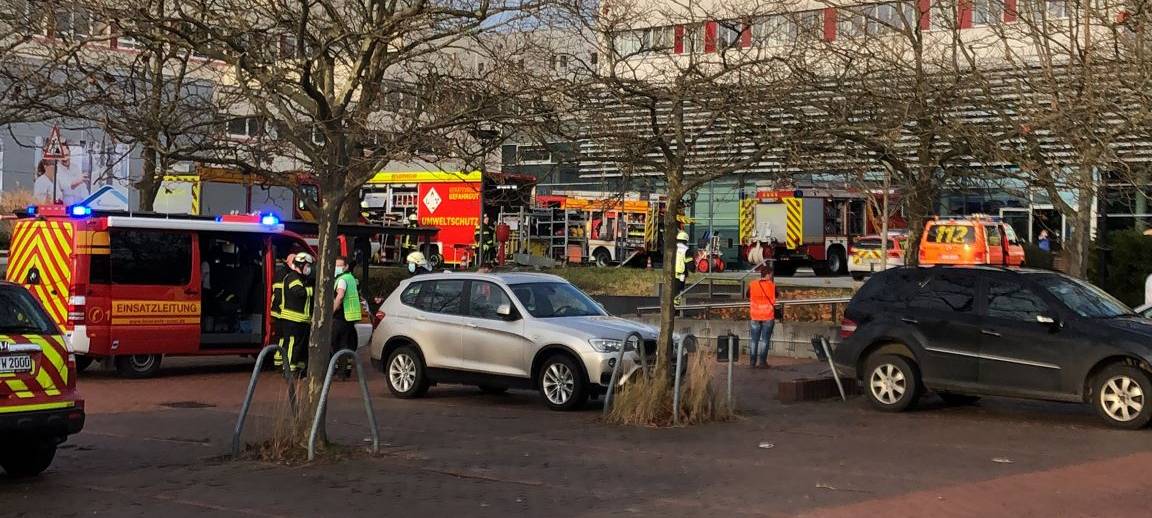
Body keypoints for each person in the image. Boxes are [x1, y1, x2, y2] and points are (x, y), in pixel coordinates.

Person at [277, 252, 314, 377]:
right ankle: (288, 370)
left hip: (301, 320)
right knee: (292, 345)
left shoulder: (302, 278)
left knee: (299, 346)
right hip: (292, 319)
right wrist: (313, 290)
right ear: (301, 265)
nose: (309, 268)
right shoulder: (293, 277)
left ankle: (298, 369)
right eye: (307, 266)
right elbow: (299, 292)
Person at [331, 256, 360, 380]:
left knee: (333, 344)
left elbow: (340, 296)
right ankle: (343, 372)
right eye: (336, 265)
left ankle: (331, 371)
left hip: (340, 316)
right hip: (349, 317)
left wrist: (331, 311)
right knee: (344, 344)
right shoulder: (351, 278)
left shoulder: (342, 279)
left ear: (346, 266)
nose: (337, 268)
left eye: (340, 265)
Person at [748, 264, 778, 369]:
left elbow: (748, 294)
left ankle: (752, 362)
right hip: (768, 315)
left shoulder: (753, 284)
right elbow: (776, 295)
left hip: (755, 315)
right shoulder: (772, 286)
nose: (771, 276)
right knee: (765, 340)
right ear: (768, 274)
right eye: (771, 274)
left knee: (754, 340)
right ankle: (762, 362)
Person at [674, 230, 690, 306]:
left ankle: (674, 301)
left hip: (672, 272)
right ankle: (677, 303)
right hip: (681, 273)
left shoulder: (674, 248)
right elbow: (688, 262)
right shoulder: (686, 250)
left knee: (674, 288)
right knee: (680, 288)